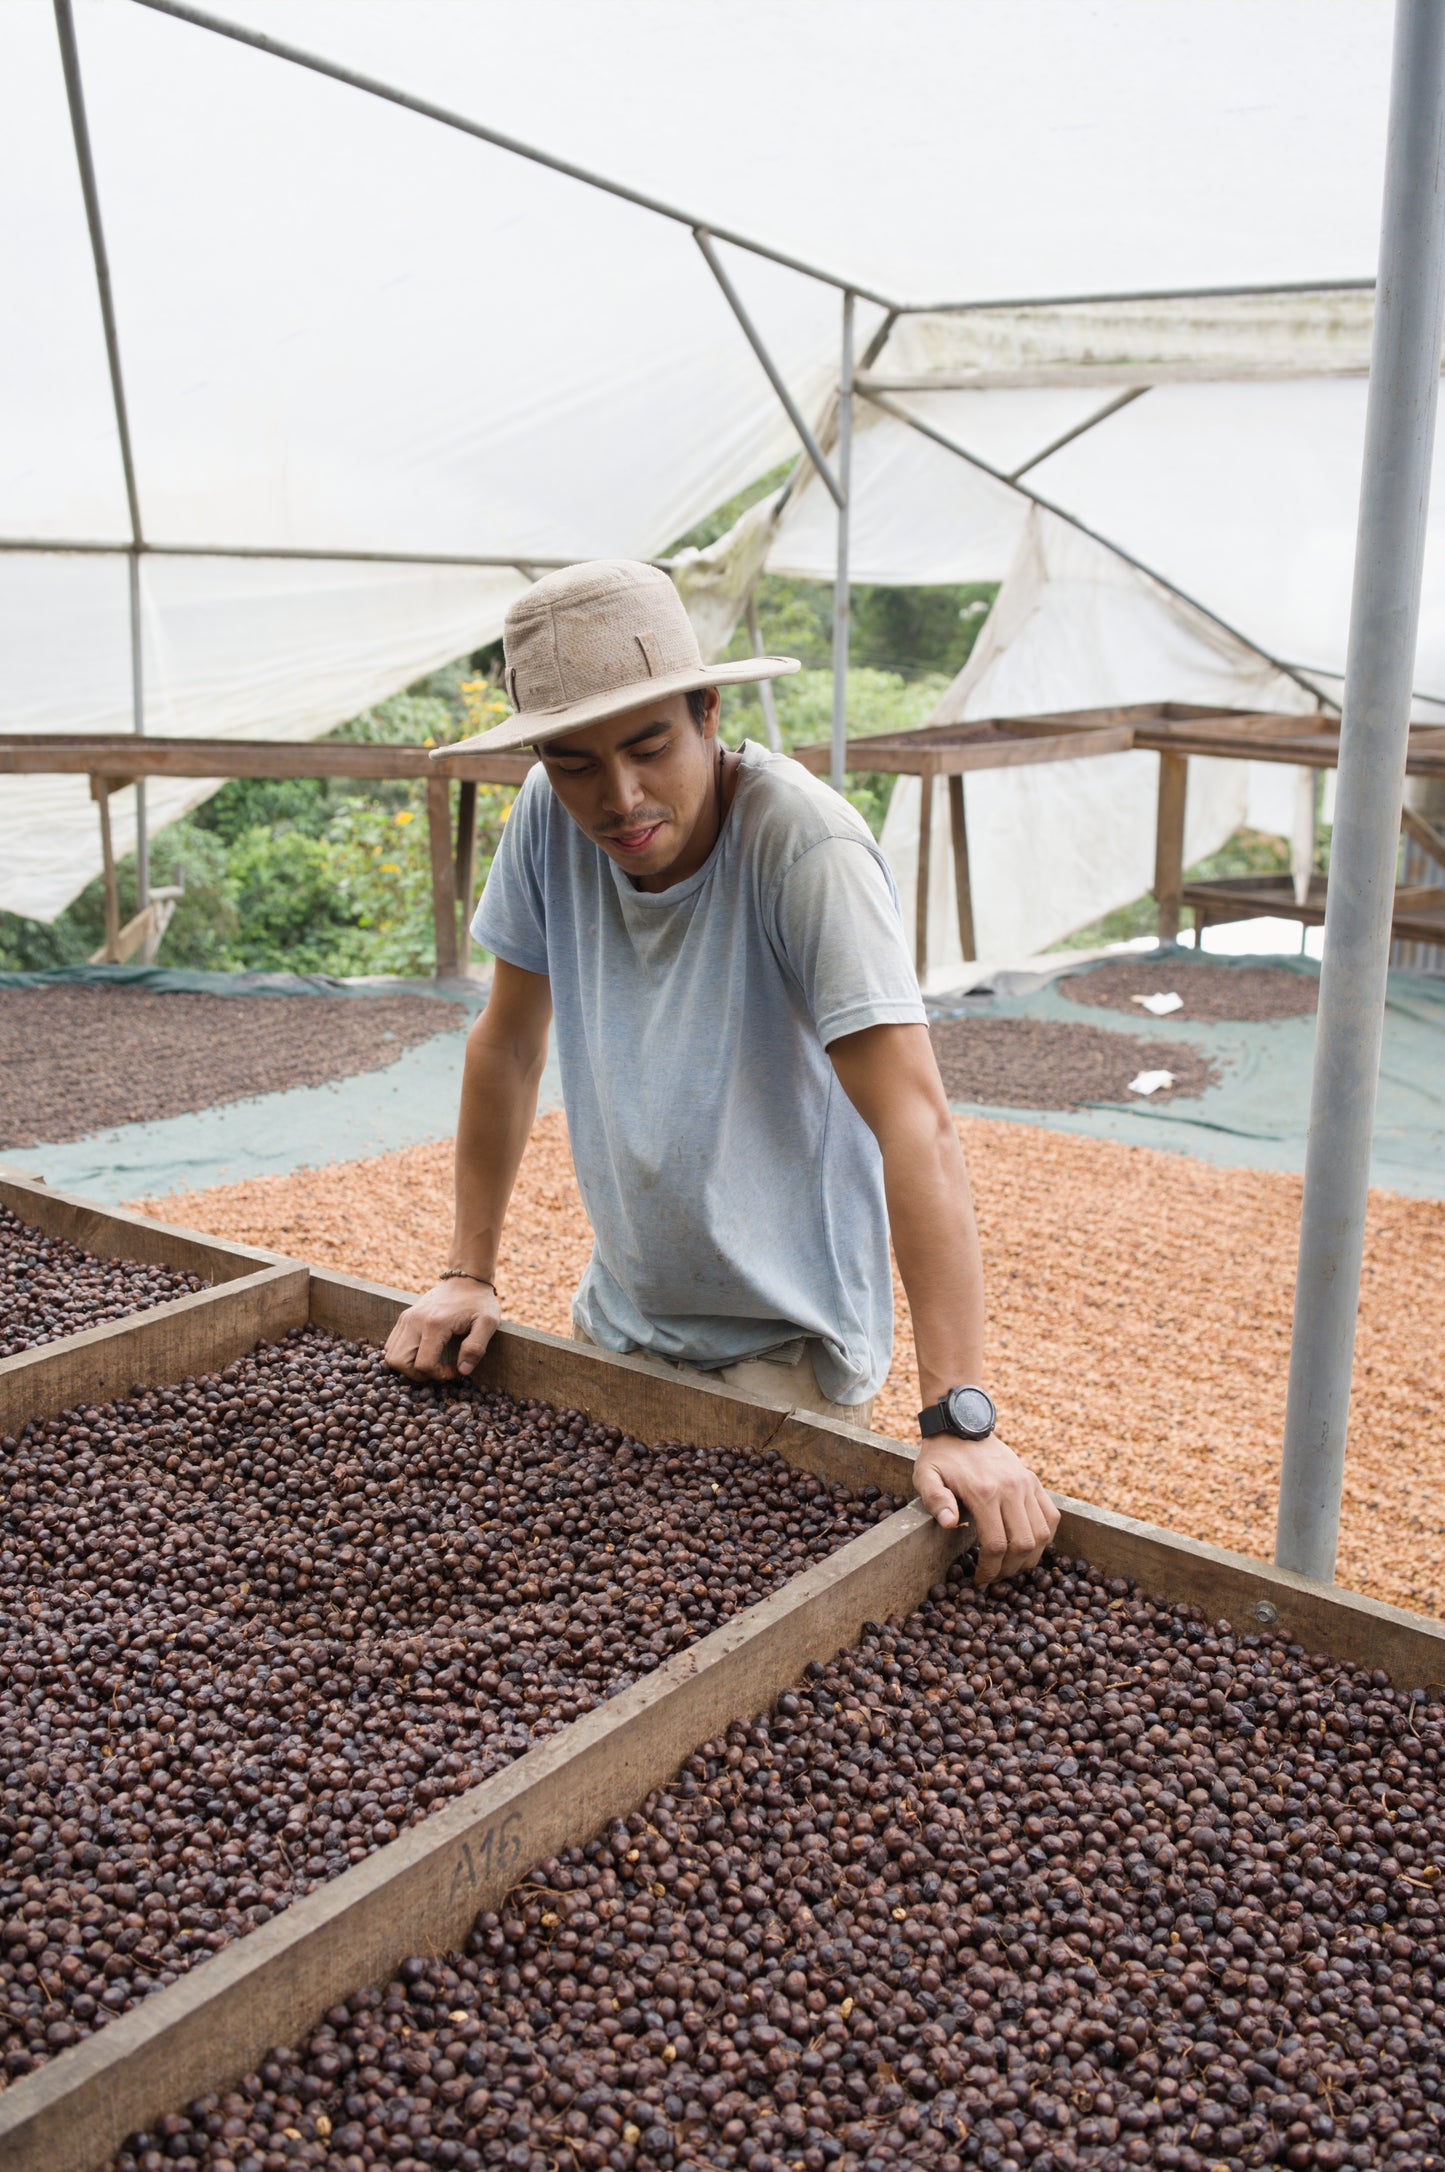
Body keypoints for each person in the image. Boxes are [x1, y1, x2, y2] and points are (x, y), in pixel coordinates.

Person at [384, 560, 1059, 1586]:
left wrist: (956, 1415)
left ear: (705, 711)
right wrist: (467, 1271)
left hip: (782, 1360)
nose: (617, 798)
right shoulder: (542, 820)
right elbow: (508, 1041)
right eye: (573, 764)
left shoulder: (802, 848)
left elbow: (914, 1123)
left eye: (648, 747)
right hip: (617, 1326)